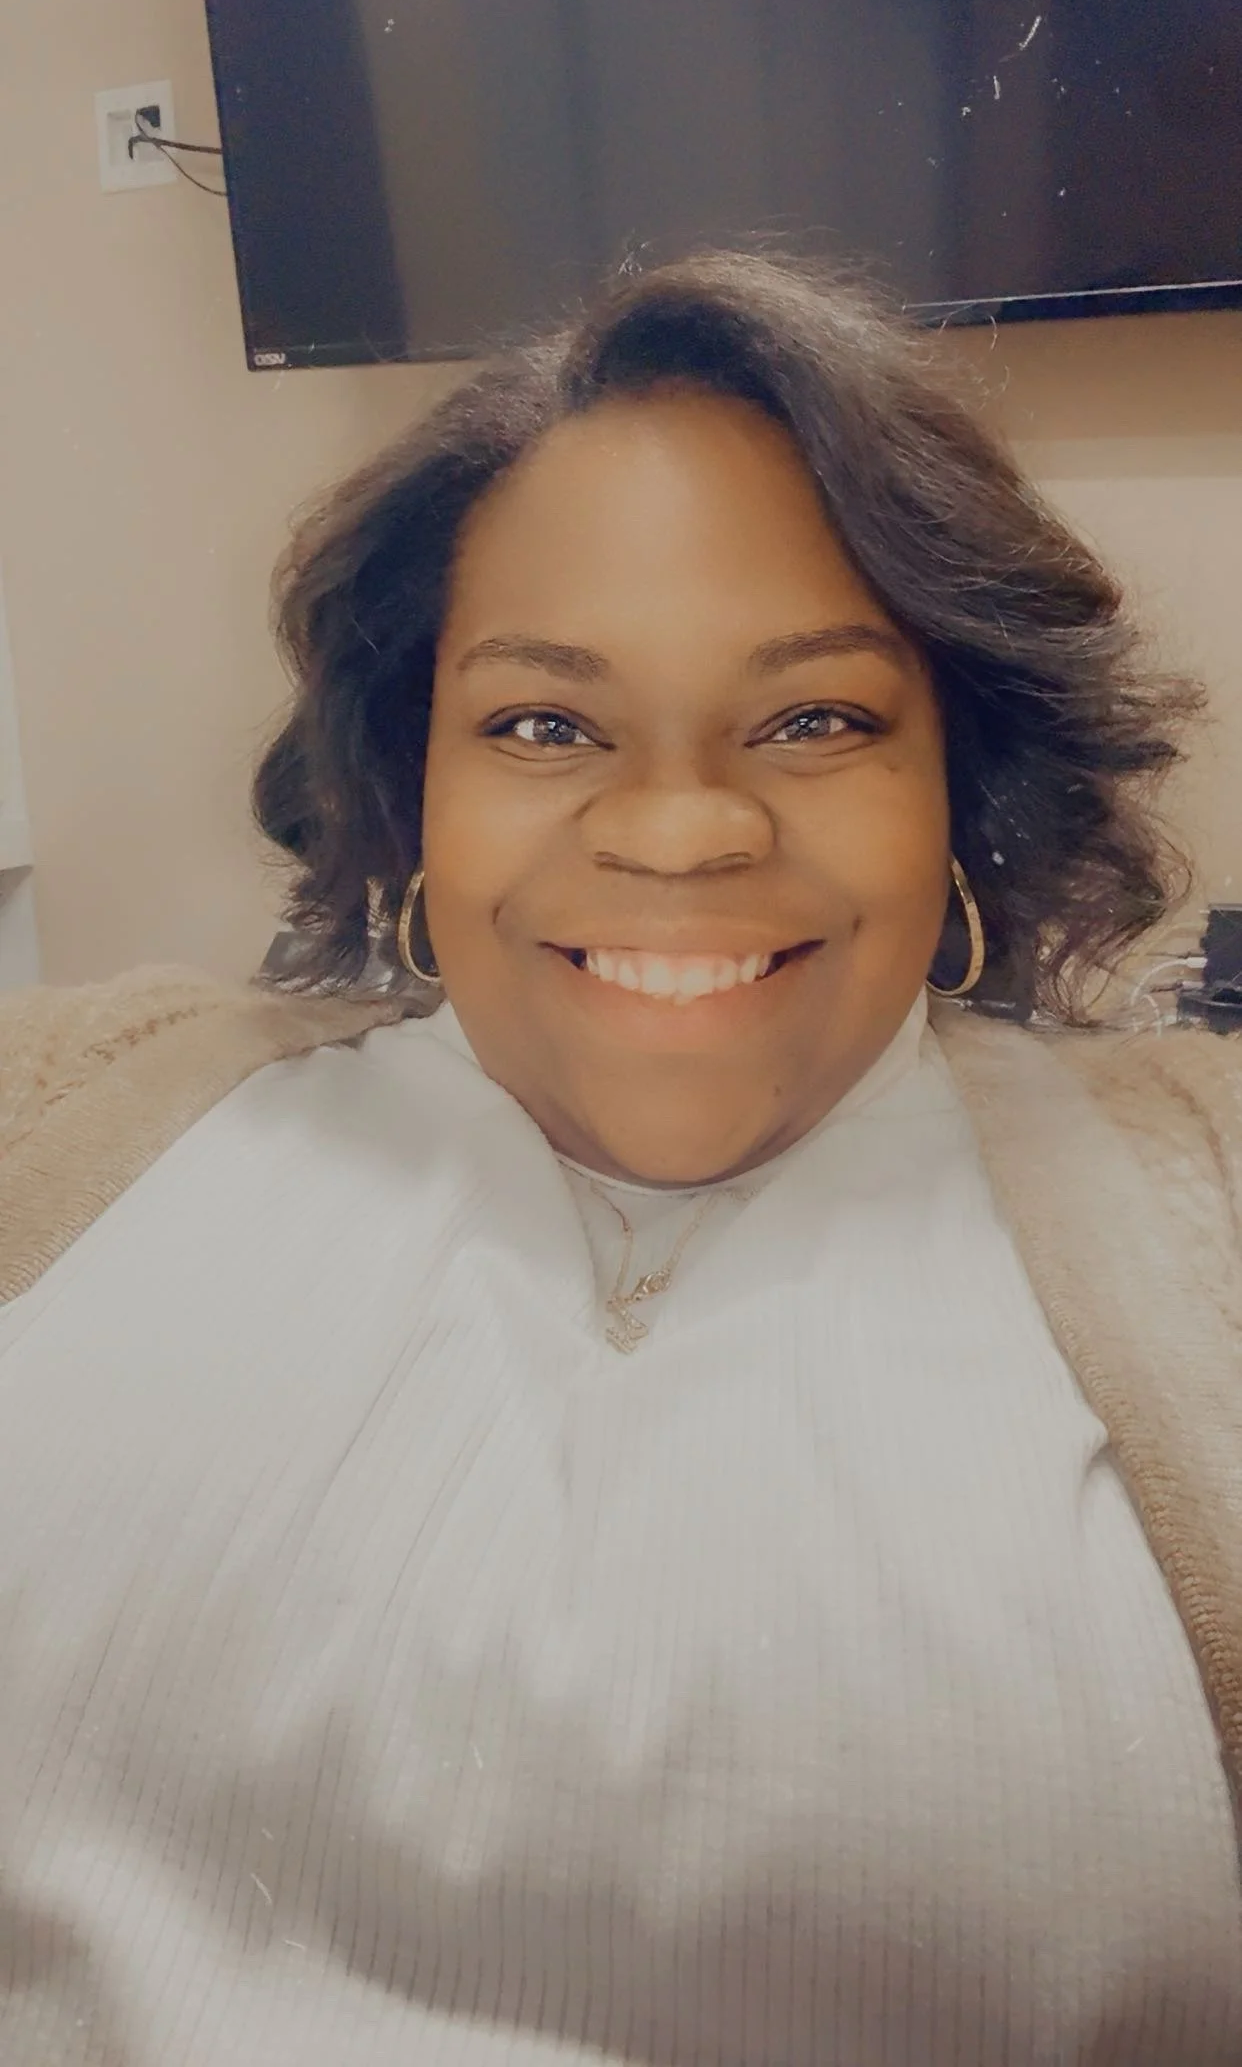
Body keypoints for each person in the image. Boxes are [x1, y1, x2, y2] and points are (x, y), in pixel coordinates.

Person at [1, 251, 1239, 2067]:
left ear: (956, 786)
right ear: (409, 778)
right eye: (543, 724)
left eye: (816, 718)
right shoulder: (67, 1112)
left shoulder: (1198, 1204)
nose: (677, 829)